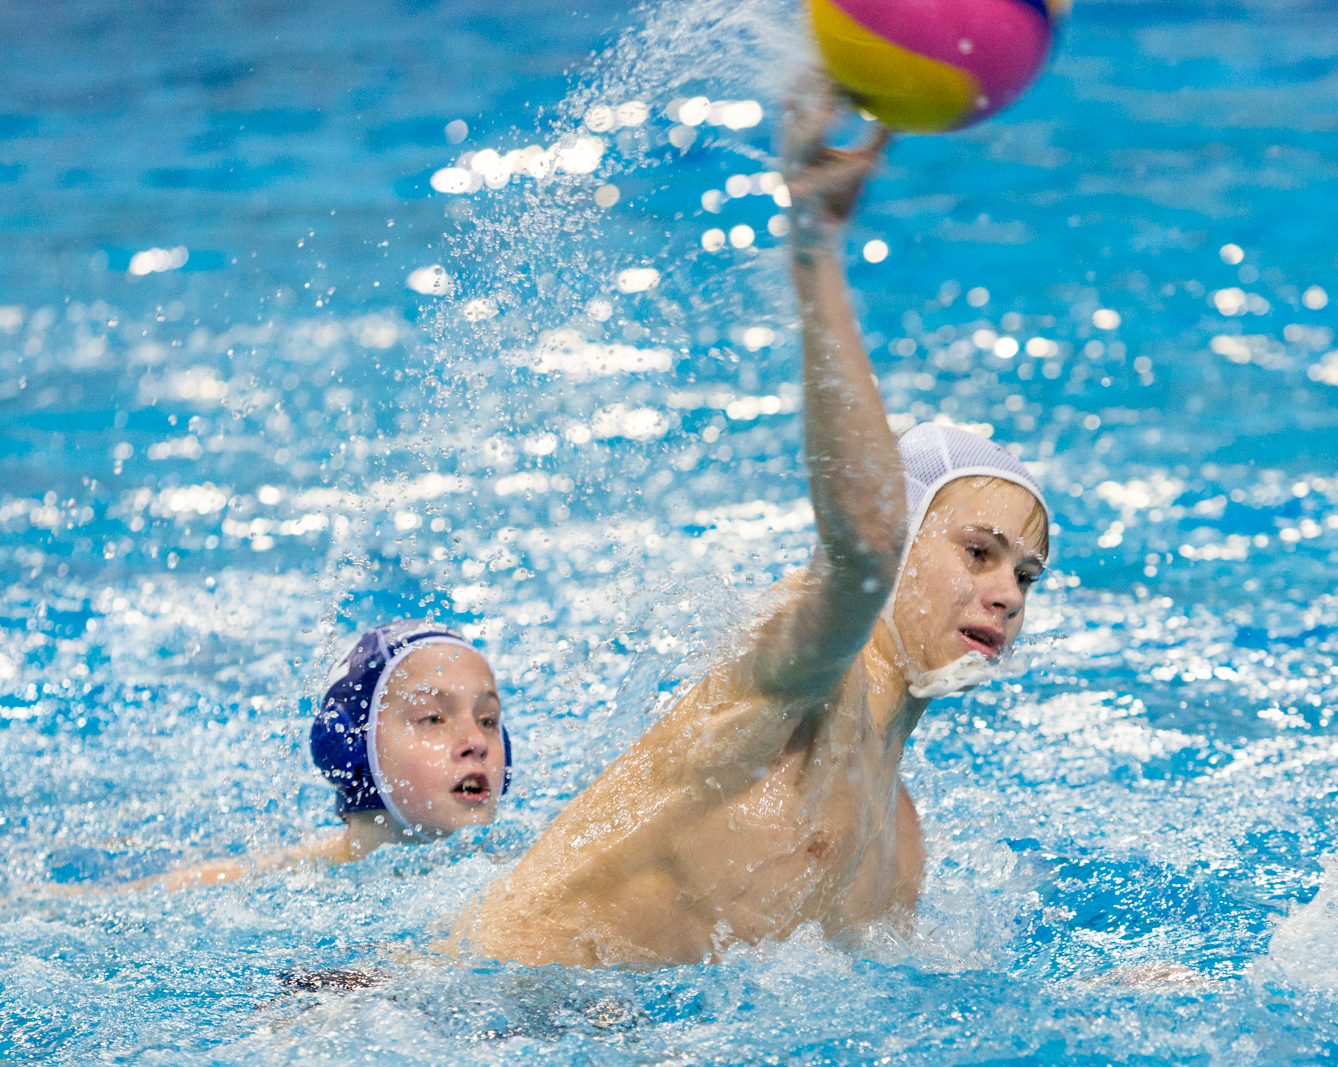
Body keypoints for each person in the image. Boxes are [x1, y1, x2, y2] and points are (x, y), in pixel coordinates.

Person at [447, 86, 1050, 967]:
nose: (1006, 592)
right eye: (977, 551)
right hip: (442, 1013)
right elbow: (858, 549)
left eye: (1026, 575)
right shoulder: (796, 680)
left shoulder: (902, 843)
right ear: (902, 540)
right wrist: (815, 251)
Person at [150, 620, 511, 890]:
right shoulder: (265, 884)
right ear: (348, 746)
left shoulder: (527, 873)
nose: (475, 741)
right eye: (433, 718)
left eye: (487, 720)